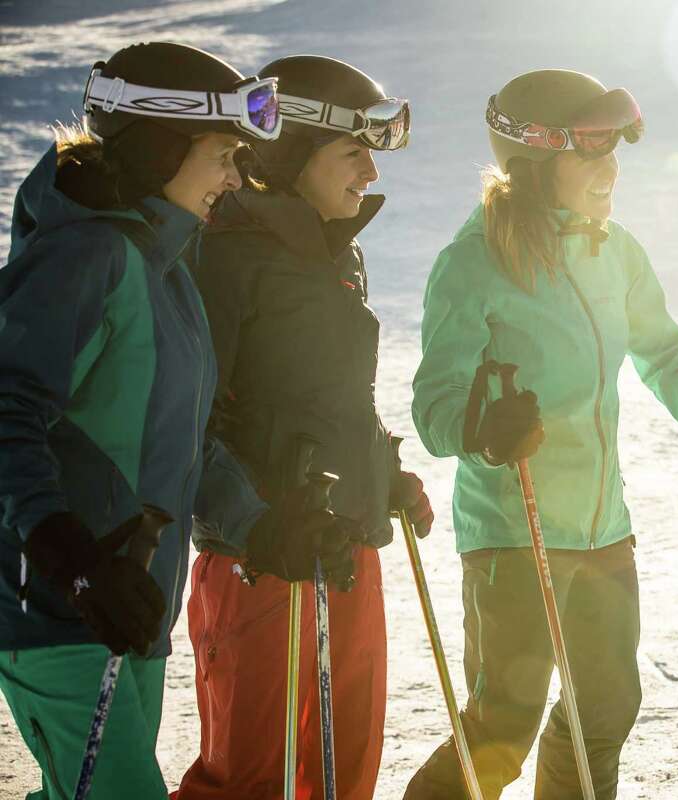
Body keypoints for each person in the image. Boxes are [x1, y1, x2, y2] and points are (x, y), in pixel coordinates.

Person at [404, 68, 678, 800]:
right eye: (588, 150)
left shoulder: (614, 251)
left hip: (601, 530)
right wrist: (484, 431)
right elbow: (435, 400)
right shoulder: (473, 264)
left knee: (606, 709)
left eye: (613, 148)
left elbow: (664, 357)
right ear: (533, 160)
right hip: (511, 528)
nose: (609, 168)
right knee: (504, 722)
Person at [0, 42, 281, 800]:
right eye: (223, 153)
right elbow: (6, 408)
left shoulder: (167, 272)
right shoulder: (85, 258)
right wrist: (70, 557)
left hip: (130, 609)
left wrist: (261, 526)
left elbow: (186, 440)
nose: (235, 177)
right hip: (61, 609)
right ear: (162, 144)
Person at [174, 54, 430, 800]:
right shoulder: (224, 256)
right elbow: (191, 421)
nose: (370, 176)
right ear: (292, 148)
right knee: (250, 778)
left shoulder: (334, 253)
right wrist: (259, 525)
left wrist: (382, 471)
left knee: (344, 769)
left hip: (341, 545)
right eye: (355, 153)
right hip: (264, 561)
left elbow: (330, 398)